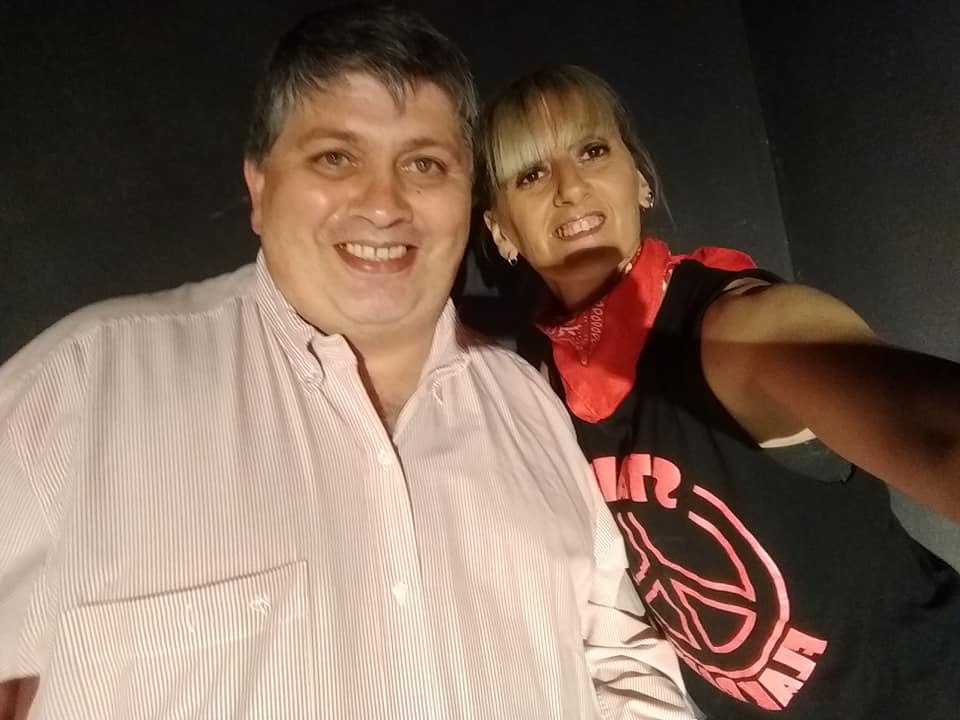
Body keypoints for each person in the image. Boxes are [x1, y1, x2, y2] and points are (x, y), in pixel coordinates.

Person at [0, 10, 696, 719]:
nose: (383, 204)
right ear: (260, 188)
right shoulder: (85, 386)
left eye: (424, 164)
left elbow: (622, 664)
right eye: (335, 157)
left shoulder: (530, 404)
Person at [476, 64, 960, 719]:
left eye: (592, 151)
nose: (570, 187)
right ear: (501, 230)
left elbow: (935, 431)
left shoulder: (733, 327)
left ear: (639, 180)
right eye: (531, 173)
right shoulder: (535, 387)